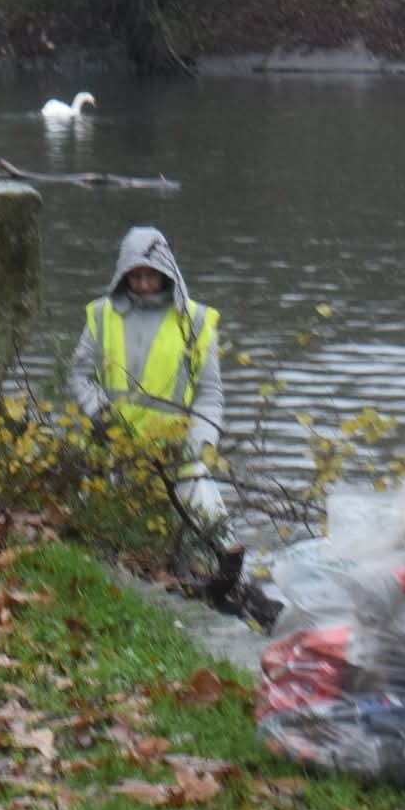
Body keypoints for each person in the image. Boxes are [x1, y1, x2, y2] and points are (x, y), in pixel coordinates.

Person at [68, 227, 244, 601]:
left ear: (166, 272)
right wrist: (100, 415)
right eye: (136, 276)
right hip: (117, 447)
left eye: (151, 275)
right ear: (124, 274)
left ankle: (229, 575)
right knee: (107, 526)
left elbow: (210, 394)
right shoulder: (102, 316)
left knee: (205, 506)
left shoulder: (194, 322)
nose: (144, 284)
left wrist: (200, 443)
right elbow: (81, 375)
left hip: (176, 449)